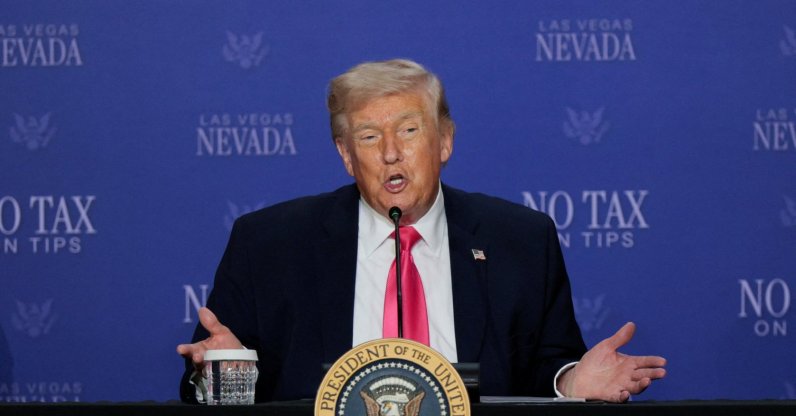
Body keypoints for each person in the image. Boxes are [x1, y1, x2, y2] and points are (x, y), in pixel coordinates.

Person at [177, 59, 666, 403]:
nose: (391, 152)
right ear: (347, 156)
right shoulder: (268, 244)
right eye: (369, 137)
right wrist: (222, 373)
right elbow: (207, 380)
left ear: (445, 141)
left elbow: (549, 366)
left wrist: (570, 383)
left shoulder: (521, 239)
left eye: (409, 130)